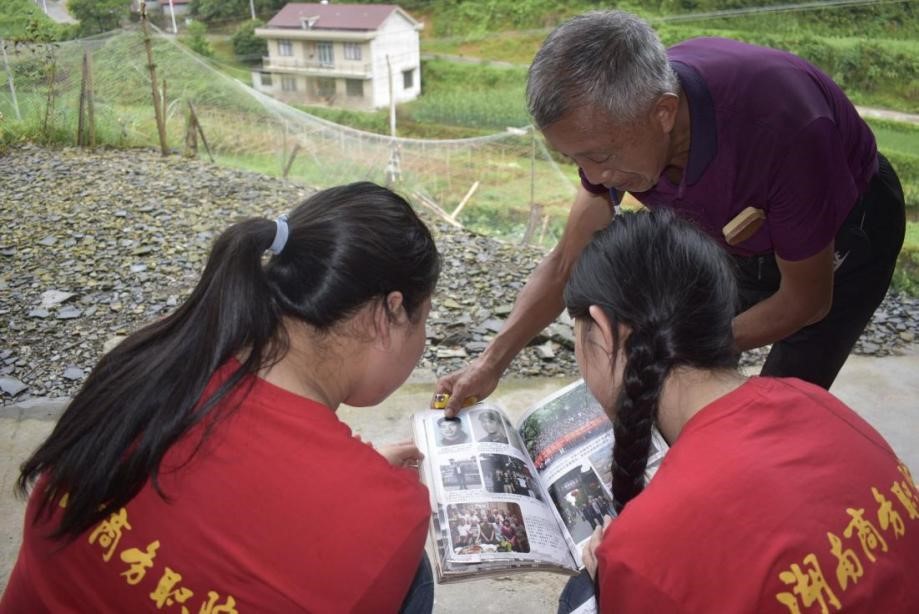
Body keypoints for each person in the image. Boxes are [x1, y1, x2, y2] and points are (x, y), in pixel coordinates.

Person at [436, 9, 906, 415]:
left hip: (845, 234)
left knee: (781, 398)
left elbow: (805, 302)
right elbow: (565, 262)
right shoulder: (620, 125)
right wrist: (489, 363)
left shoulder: (786, 130)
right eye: (575, 159)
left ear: (663, 113)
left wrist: (670, 349)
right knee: (680, 380)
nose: (592, 178)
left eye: (598, 157)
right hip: (736, 233)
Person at [1, 183, 441, 613]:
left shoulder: (156, 355)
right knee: (411, 575)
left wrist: (359, 479)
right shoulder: (389, 517)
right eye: (423, 318)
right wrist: (363, 493)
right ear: (388, 313)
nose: (422, 340)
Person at [555, 209, 919, 613]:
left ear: (606, 334)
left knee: (578, 597)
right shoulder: (813, 399)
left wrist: (615, 571)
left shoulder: (644, 549)